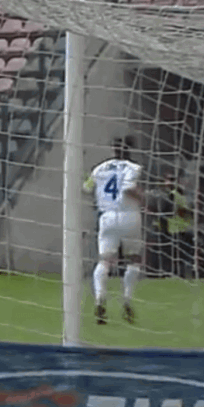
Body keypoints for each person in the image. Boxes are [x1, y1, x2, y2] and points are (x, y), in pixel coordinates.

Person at [83, 138, 145, 325]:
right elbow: (128, 189)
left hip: (107, 217)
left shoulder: (99, 168)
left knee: (105, 260)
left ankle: (100, 298)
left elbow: (86, 188)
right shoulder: (133, 168)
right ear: (130, 151)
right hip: (129, 215)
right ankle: (127, 299)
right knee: (134, 259)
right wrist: (145, 198)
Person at [162, 170, 198, 279]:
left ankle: (183, 275)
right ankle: (178, 275)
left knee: (185, 254)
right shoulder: (172, 195)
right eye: (169, 180)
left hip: (184, 229)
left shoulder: (180, 195)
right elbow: (178, 212)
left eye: (173, 180)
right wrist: (191, 213)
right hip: (176, 230)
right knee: (180, 255)